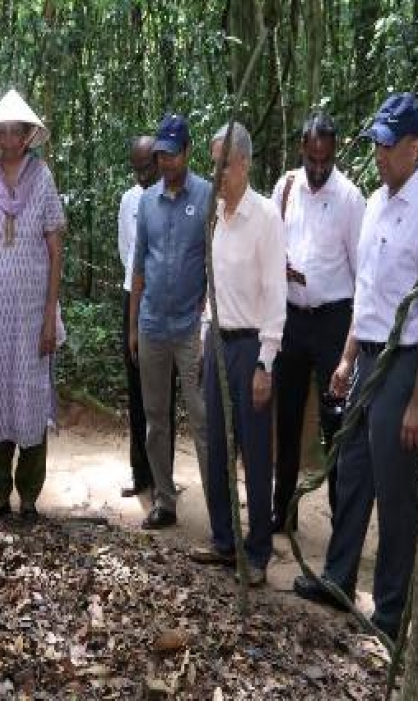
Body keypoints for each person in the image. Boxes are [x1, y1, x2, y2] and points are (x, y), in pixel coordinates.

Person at [293, 93, 418, 642]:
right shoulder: (378, 201)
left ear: (416, 146)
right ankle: (337, 579)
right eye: (377, 142)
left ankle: (389, 611)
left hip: (404, 363)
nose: (379, 153)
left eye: (389, 144)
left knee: (395, 486)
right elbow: (367, 292)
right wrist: (346, 358)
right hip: (368, 357)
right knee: (352, 466)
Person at [190, 122, 286, 588]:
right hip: (219, 339)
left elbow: (275, 294)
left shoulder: (264, 217)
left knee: (254, 449)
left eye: (223, 164)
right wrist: (206, 336)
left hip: (251, 345)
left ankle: (259, 549)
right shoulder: (216, 217)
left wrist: (266, 361)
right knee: (216, 445)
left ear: (244, 163)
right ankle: (223, 540)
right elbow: (213, 286)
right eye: (214, 165)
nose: (218, 174)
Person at [0, 89, 65, 520]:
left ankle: (28, 497)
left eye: (15, 130)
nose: (8, 137)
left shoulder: (42, 179)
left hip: (30, 316)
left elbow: (56, 251)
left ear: (27, 135)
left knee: (31, 397)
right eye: (1, 129)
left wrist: (48, 318)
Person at [270, 113, 365, 533]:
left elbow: (363, 274)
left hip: (333, 320)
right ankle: (281, 511)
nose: (319, 167)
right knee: (286, 419)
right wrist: (282, 268)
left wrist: (350, 346)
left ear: (335, 152)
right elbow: (270, 242)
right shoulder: (286, 187)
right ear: (302, 150)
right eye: (312, 159)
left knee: (335, 422)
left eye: (325, 160)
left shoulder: (349, 198)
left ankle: (341, 525)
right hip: (291, 317)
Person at [128, 114, 211, 530]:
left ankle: (219, 509)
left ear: (187, 153)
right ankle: (165, 499)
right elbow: (139, 266)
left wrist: (207, 317)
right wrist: (132, 327)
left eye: (173, 155)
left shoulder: (207, 197)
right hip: (151, 325)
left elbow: (215, 264)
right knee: (155, 417)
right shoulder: (147, 202)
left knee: (200, 416)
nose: (166, 162)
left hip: (189, 329)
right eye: (161, 155)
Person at [117, 135, 176, 498]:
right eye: (136, 170)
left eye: (146, 169)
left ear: (158, 162)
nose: (141, 177)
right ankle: (140, 474)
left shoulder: (175, 197)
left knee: (163, 395)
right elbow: (127, 250)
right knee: (136, 389)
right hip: (133, 297)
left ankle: (163, 477)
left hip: (165, 301)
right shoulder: (129, 200)